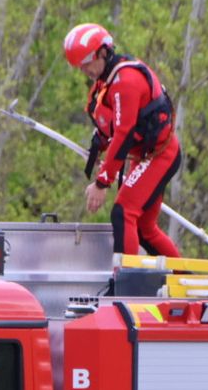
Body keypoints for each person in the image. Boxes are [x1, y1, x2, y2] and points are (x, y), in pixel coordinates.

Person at [62, 22, 182, 257]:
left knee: (123, 212)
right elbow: (112, 128)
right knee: (144, 229)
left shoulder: (125, 82)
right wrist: (99, 150)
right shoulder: (105, 83)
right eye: (80, 66)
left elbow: (124, 134)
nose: (84, 70)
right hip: (144, 156)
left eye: (87, 62)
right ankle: (184, 280)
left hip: (161, 156)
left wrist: (102, 183)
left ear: (103, 52)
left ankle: (126, 283)